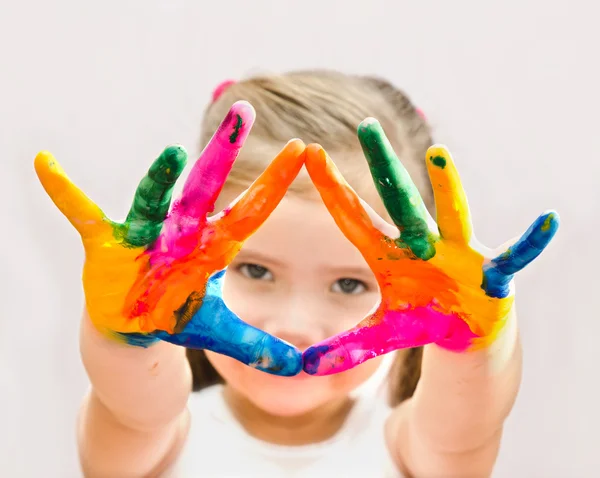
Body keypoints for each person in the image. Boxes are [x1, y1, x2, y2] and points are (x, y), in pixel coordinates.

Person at [40, 70, 556, 477]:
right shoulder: (152, 440)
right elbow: (134, 405)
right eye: (257, 270)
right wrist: (124, 336)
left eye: (349, 284)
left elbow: (464, 428)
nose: (294, 323)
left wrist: (474, 344)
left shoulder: (412, 449)